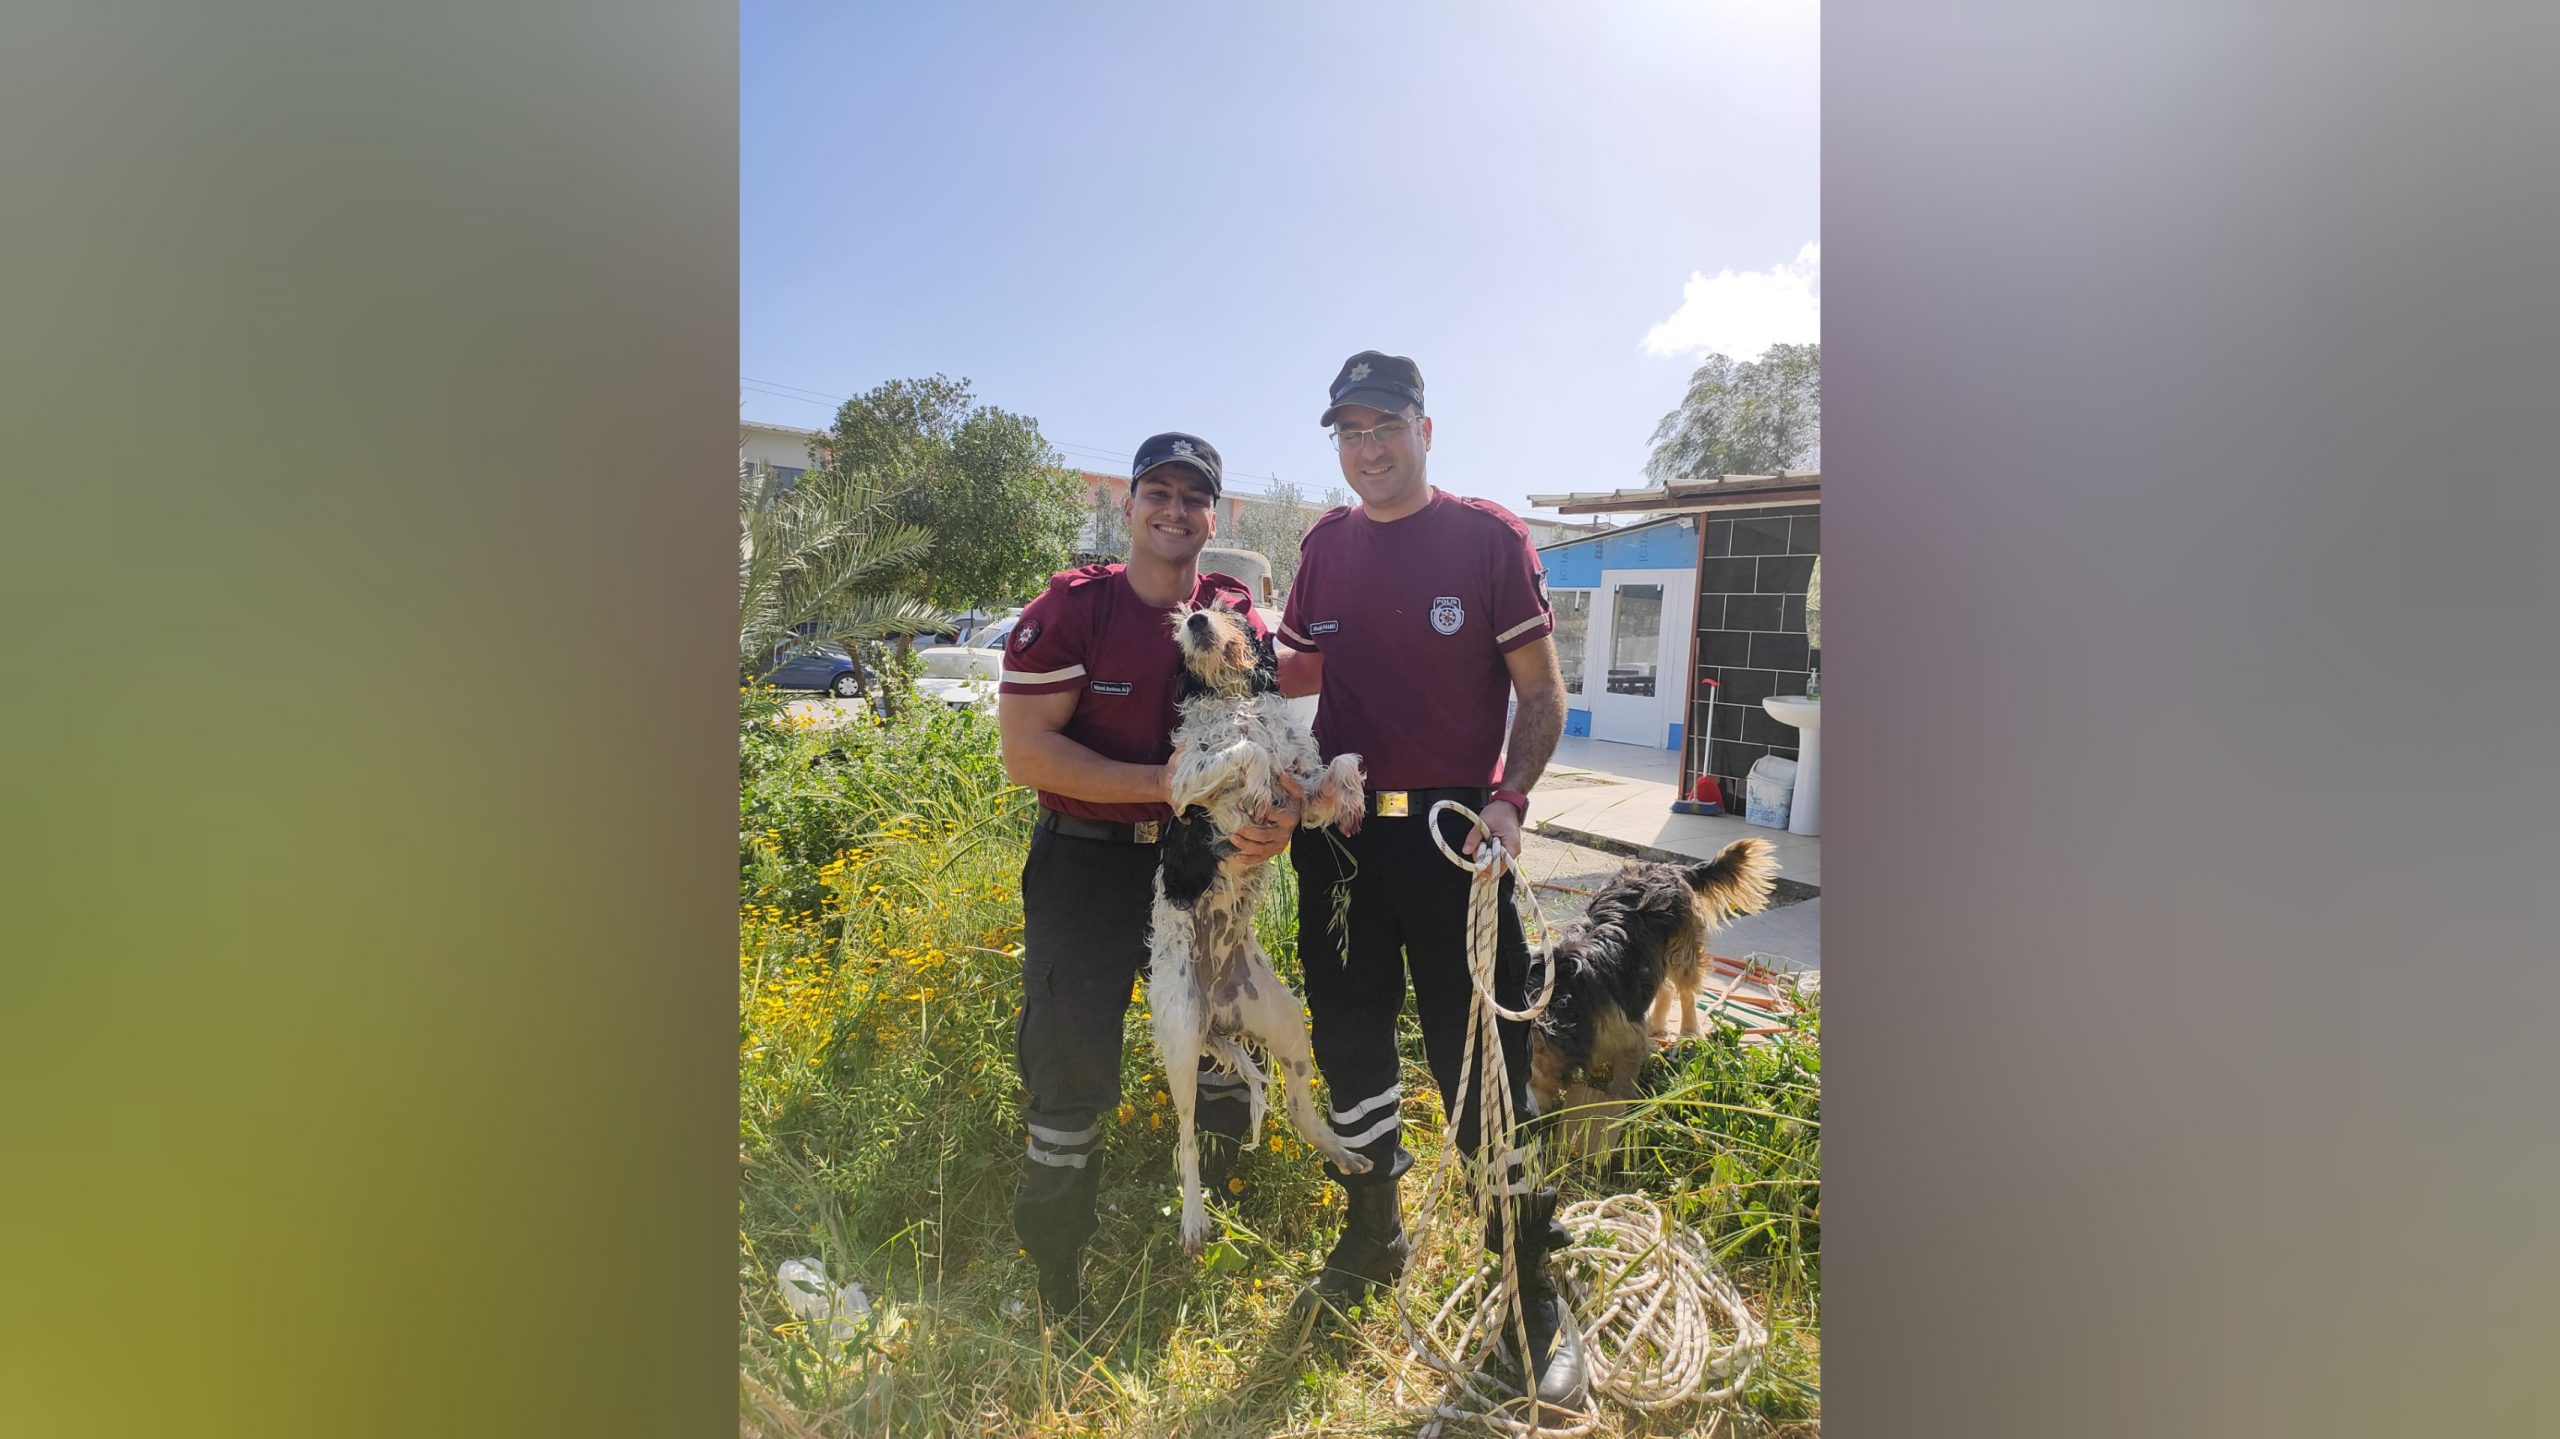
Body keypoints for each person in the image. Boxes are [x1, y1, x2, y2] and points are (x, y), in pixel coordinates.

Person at [1275, 352, 1585, 1407]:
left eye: (1386, 427)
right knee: (1350, 1039)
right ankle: (1373, 1233)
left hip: (1457, 843)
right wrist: (1279, 765)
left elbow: (1541, 692)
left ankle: (1531, 1291)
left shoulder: (1487, 539)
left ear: (1425, 429)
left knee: (1485, 1067)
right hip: (1342, 841)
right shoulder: (1324, 548)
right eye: (1350, 431)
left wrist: (1510, 800)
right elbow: (1295, 679)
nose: (1368, 448)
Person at [994, 432, 1297, 1322]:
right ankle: (1056, 1278)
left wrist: (1280, 812)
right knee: (1070, 1061)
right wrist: (1168, 787)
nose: (1174, 509)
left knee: (1221, 1036)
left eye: (1193, 495)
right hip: (1087, 862)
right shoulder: (1075, 608)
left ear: (1215, 515)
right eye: (1156, 491)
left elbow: (1274, 729)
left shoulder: (1233, 614)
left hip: (1202, 867)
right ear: (1128, 506)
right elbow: (1026, 752)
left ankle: (1218, 1223)